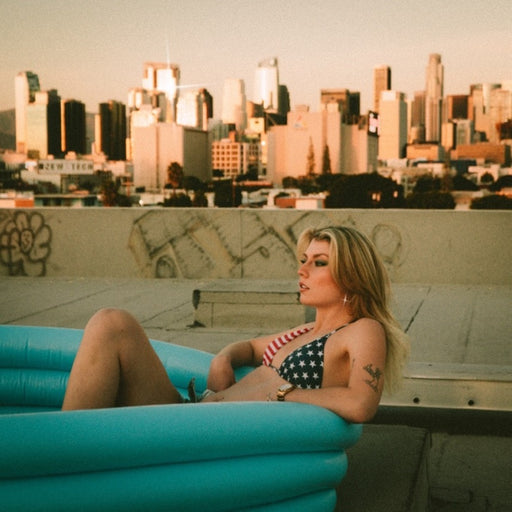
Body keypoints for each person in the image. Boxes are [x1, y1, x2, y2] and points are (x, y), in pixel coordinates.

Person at [62, 226, 409, 423]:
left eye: (319, 263)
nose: (301, 270)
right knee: (111, 323)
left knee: (113, 323)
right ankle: (63, 448)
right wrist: (223, 358)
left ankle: (58, 454)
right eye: (303, 260)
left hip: (217, 435)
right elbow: (252, 348)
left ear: (352, 276)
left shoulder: (362, 329)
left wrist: (281, 393)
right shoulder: (307, 332)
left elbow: (361, 403)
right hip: (196, 414)